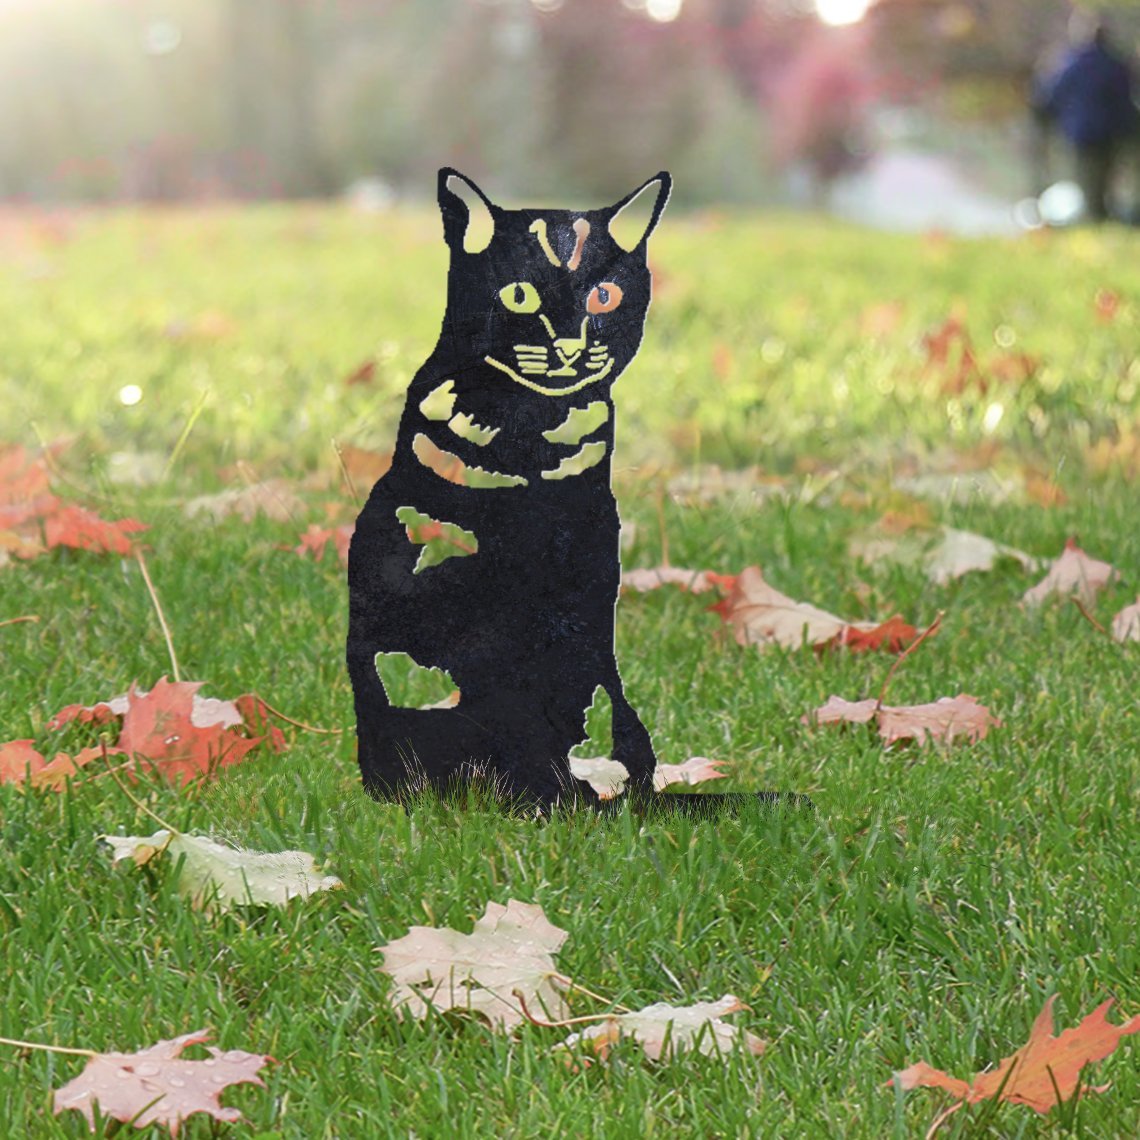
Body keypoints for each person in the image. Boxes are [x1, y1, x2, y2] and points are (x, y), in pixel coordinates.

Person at [1033, 11, 1139, 221]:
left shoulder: (1070, 64)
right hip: (1112, 132)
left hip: (1082, 133)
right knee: (1107, 178)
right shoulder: (1117, 65)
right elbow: (1127, 100)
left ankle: (1096, 218)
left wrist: (1045, 119)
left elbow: (1051, 96)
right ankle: (1105, 217)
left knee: (1089, 181)